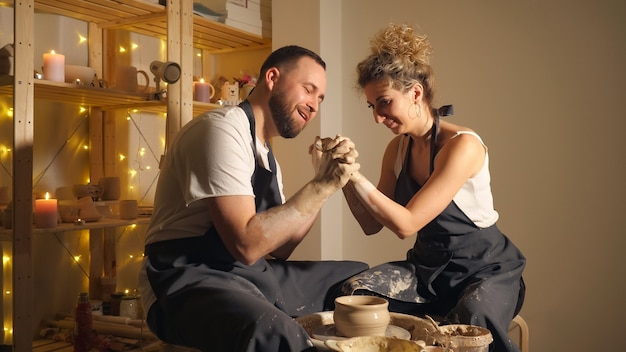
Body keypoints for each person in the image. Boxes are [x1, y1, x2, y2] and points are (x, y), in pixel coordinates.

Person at [138, 45, 369, 352]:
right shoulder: (222, 129)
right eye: (308, 90)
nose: (314, 106)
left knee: (359, 282)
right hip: (187, 280)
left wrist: (322, 180)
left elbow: (283, 248)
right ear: (272, 77)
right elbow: (246, 244)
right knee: (273, 330)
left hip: (245, 274)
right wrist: (322, 186)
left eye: (320, 99)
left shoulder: (265, 152)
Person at [330, 23, 526, 352]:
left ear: (416, 94)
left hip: (484, 272)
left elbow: (406, 224)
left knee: (469, 325)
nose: (377, 117)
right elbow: (370, 224)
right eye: (371, 106)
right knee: (353, 294)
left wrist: (356, 176)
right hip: (426, 271)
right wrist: (341, 176)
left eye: (384, 102)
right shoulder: (397, 150)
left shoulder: (462, 145)